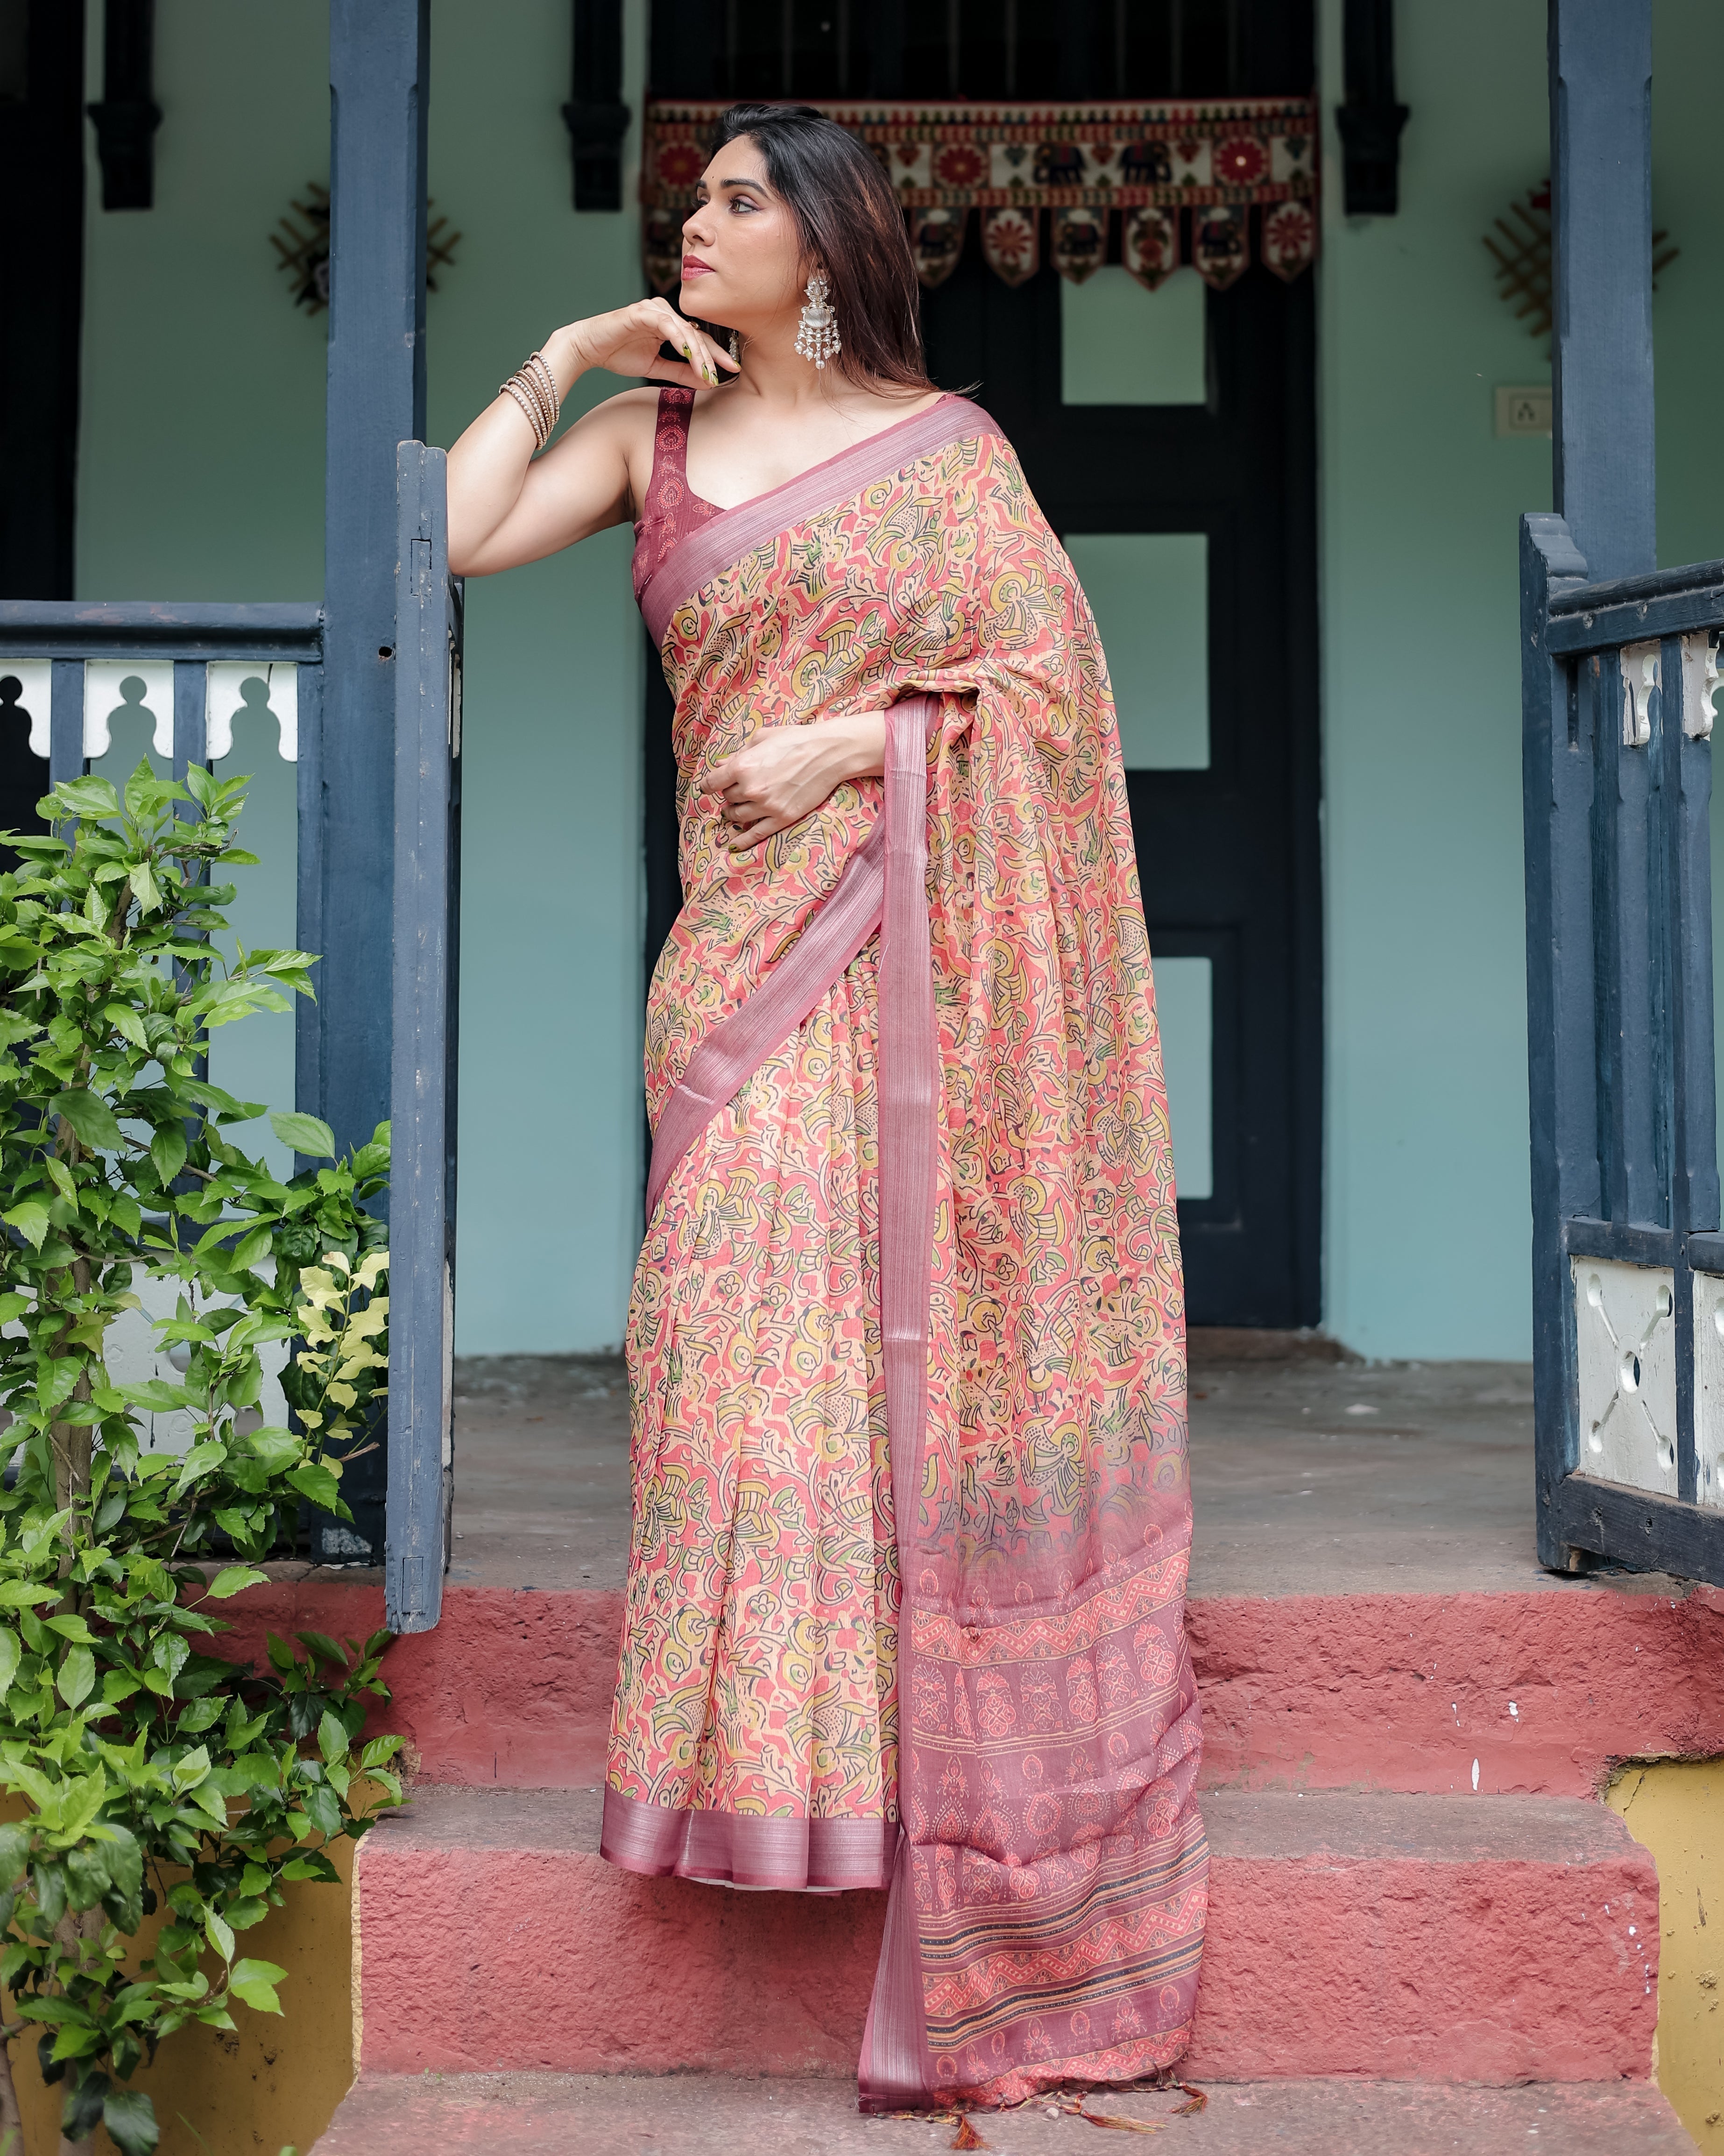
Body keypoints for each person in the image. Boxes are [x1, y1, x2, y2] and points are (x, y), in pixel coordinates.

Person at [445, 100, 1205, 2116]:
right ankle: (756, 1777)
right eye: (690, 200)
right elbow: (447, 534)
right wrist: (569, 352)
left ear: (825, 238)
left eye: (733, 202)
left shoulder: (950, 458)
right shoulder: (654, 443)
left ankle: (890, 1784)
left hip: (908, 958)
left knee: (881, 1376)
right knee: (728, 1348)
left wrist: (859, 743)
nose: (693, 226)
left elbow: (1051, 700)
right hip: (736, 967)